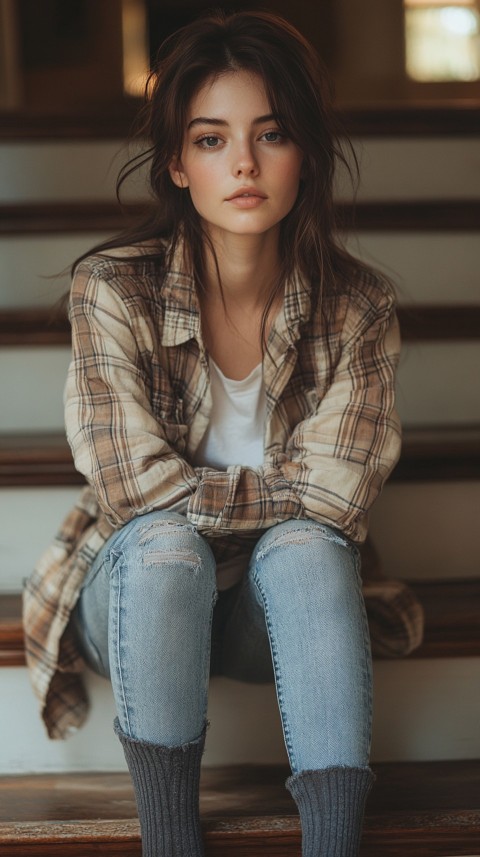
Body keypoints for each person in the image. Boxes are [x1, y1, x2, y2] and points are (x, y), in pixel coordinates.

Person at [22, 9, 421, 857]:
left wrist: (259, 511)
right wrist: (278, 502)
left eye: (270, 134)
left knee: (311, 550)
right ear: (177, 162)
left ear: (304, 152)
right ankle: (172, 843)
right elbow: (131, 489)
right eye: (211, 140)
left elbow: (337, 499)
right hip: (139, 598)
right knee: (167, 548)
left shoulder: (359, 307)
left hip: (270, 609)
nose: (243, 163)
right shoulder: (111, 290)